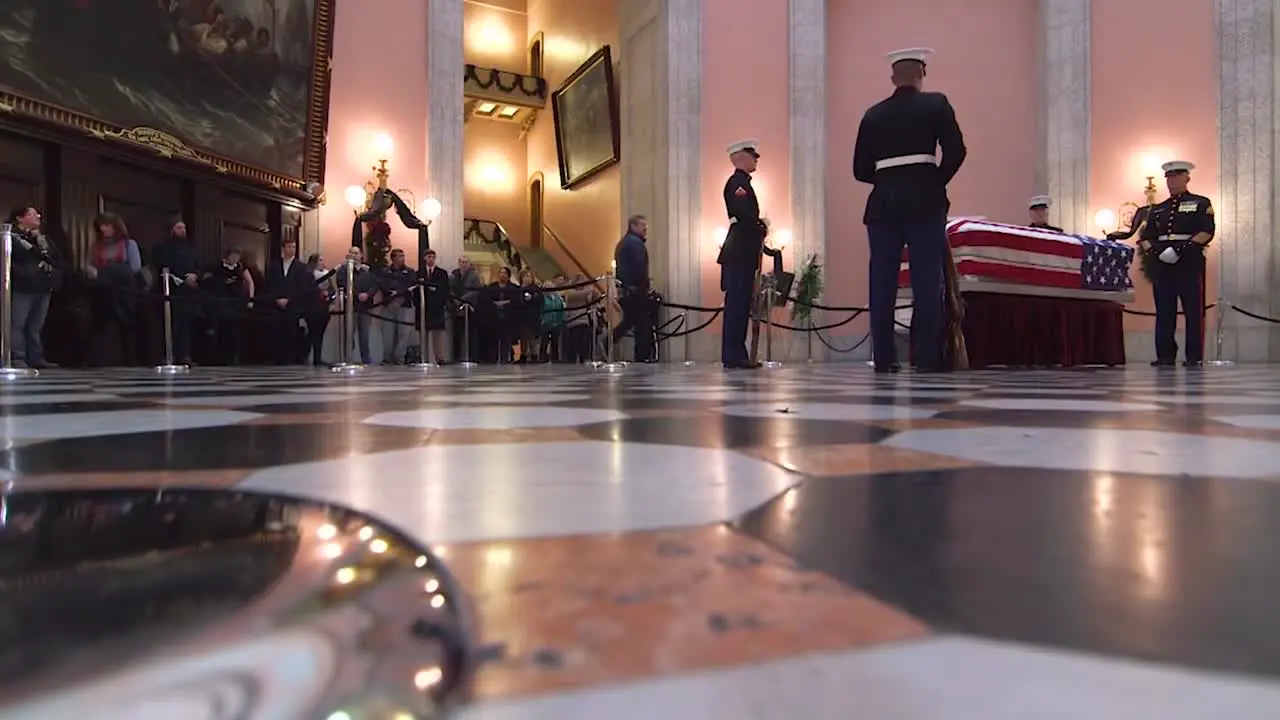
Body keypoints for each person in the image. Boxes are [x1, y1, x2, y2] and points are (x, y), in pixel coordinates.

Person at [853, 47, 967, 374]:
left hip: (883, 205)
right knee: (926, 279)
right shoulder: (936, 104)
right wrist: (934, 180)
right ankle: (927, 357)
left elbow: (860, 169)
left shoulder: (872, 114)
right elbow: (957, 151)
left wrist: (889, 178)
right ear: (921, 75)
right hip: (925, 202)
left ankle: (885, 358)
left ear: (893, 78)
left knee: (882, 281)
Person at [1139, 160, 1215, 367]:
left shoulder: (1201, 203)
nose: (1172, 181)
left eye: (1176, 177)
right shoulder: (1158, 209)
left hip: (1188, 263)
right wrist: (1157, 252)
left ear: (1187, 178)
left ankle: (1193, 356)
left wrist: (1180, 250)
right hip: (1163, 265)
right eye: (1169, 178)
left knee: (1193, 311)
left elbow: (1206, 231)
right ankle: (1165, 355)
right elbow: (1145, 237)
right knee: (1164, 312)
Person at [715, 139, 768, 369]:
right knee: (737, 304)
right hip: (739, 250)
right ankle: (734, 354)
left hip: (743, 250)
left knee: (741, 303)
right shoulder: (737, 184)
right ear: (739, 157)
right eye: (751, 155)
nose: (755, 159)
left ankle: (737, 353)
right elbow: (745, 217)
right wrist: (761, 227)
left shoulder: (743, 183)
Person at [8, 205, 63, 369]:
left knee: (35, 325)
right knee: (18, 324)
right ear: (20, 218)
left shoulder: (41, 238)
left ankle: (36, 357)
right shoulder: (12, 237)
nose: (38, 216)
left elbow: (56, 258)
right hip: (22, 286)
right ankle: (18, 357)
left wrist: (41, 241)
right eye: (32, 214)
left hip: (43, 286)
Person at [151, 218, 201, 365]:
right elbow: (161, 265)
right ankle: (167, 354)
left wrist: (195, 275)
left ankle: (185, 355)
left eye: (184, 228)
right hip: (170, 290)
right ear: (172, 229)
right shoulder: (161, 247)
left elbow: (198, 265)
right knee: (168, 324)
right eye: (179, 228)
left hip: (188, 293)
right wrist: (178, 277)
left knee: (186, 326)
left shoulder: (191, 248)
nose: (183, 231)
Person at [612, 214, 655, 362]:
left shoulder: (625, 243)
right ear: (633, 226)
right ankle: (642, 356)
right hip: (635, 291)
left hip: (628, 290)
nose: (645, 228)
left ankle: (608, 341)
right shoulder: (634, 244)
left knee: (631, 321)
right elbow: (638, 267)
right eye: (642, 225)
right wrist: (642, 284)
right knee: (641, 324)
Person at [418, 249, 450, 364]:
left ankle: (439, 357)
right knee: (423, 332)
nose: (431, 259)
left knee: (438, 334)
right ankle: (423, 357)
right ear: (424, 258)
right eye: (428, 256)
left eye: (433, 257)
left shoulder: (442, 273)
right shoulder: (419, 272)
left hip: (437, 307)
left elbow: (445, 289)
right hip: (423, 307)